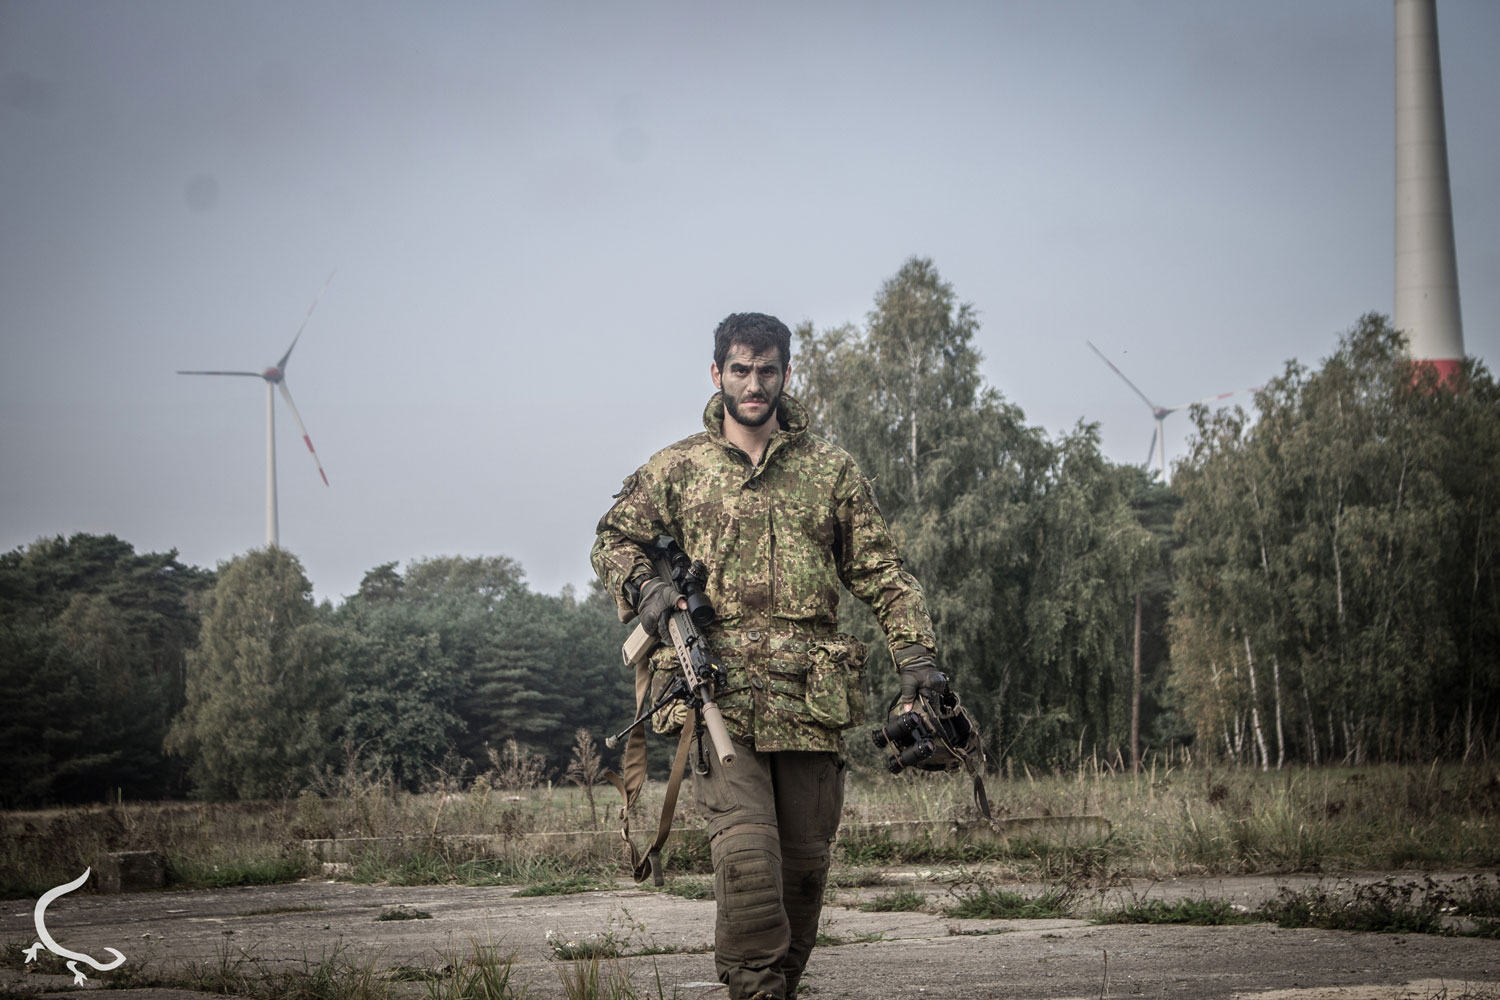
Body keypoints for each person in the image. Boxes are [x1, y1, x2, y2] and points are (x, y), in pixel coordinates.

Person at [591, 312, 946, 1000]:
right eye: (741, 369)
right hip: (716, 701)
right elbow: (611, 540)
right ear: (717, 372)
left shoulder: (830, 470)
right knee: (748, 863)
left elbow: (879, 570)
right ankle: (755, 990)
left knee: (804, 872)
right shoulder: (677, 468)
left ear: (786, 373)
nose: (755, 384)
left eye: (768, 370)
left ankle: (778, 987)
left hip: (811, 700)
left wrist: (918, 659)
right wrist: (649, 590)